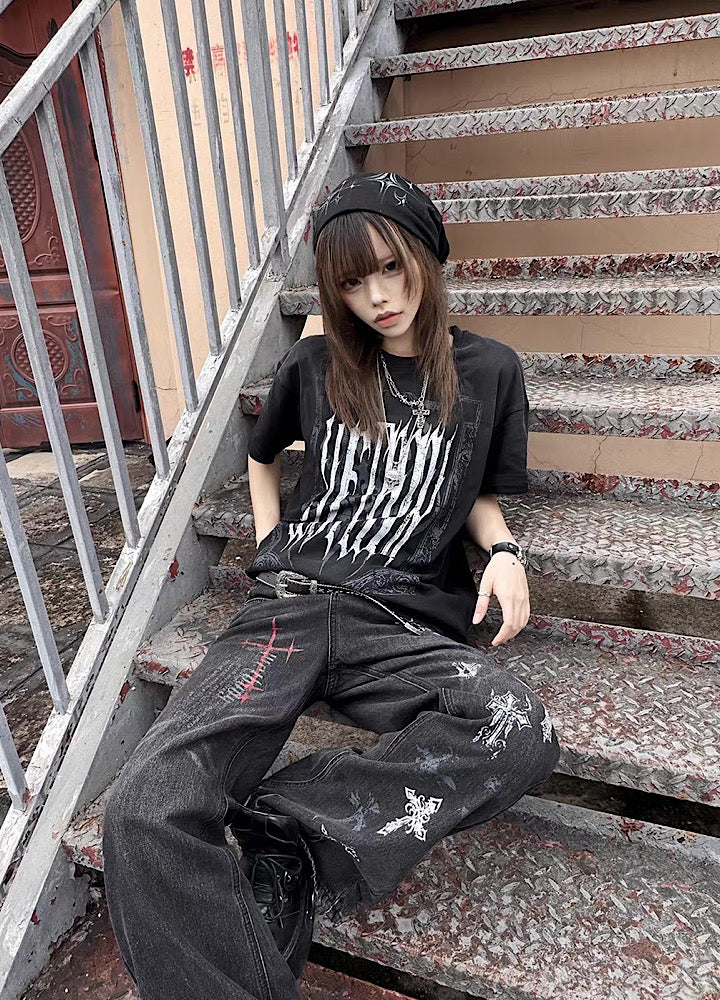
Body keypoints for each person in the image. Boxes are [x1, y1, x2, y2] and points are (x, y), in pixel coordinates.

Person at [102, 171, 561, 1000]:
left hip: (399, 620)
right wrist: (271, 545)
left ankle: (291, 831)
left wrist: (504, 551)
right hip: (288, 610)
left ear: (425, 256)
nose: (377, 297)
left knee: (517, 725)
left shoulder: (490, 369)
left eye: (390, 268)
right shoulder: (314, 363)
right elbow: (260, 456)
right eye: (352, 282)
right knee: (143, 808)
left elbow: (472, 488)